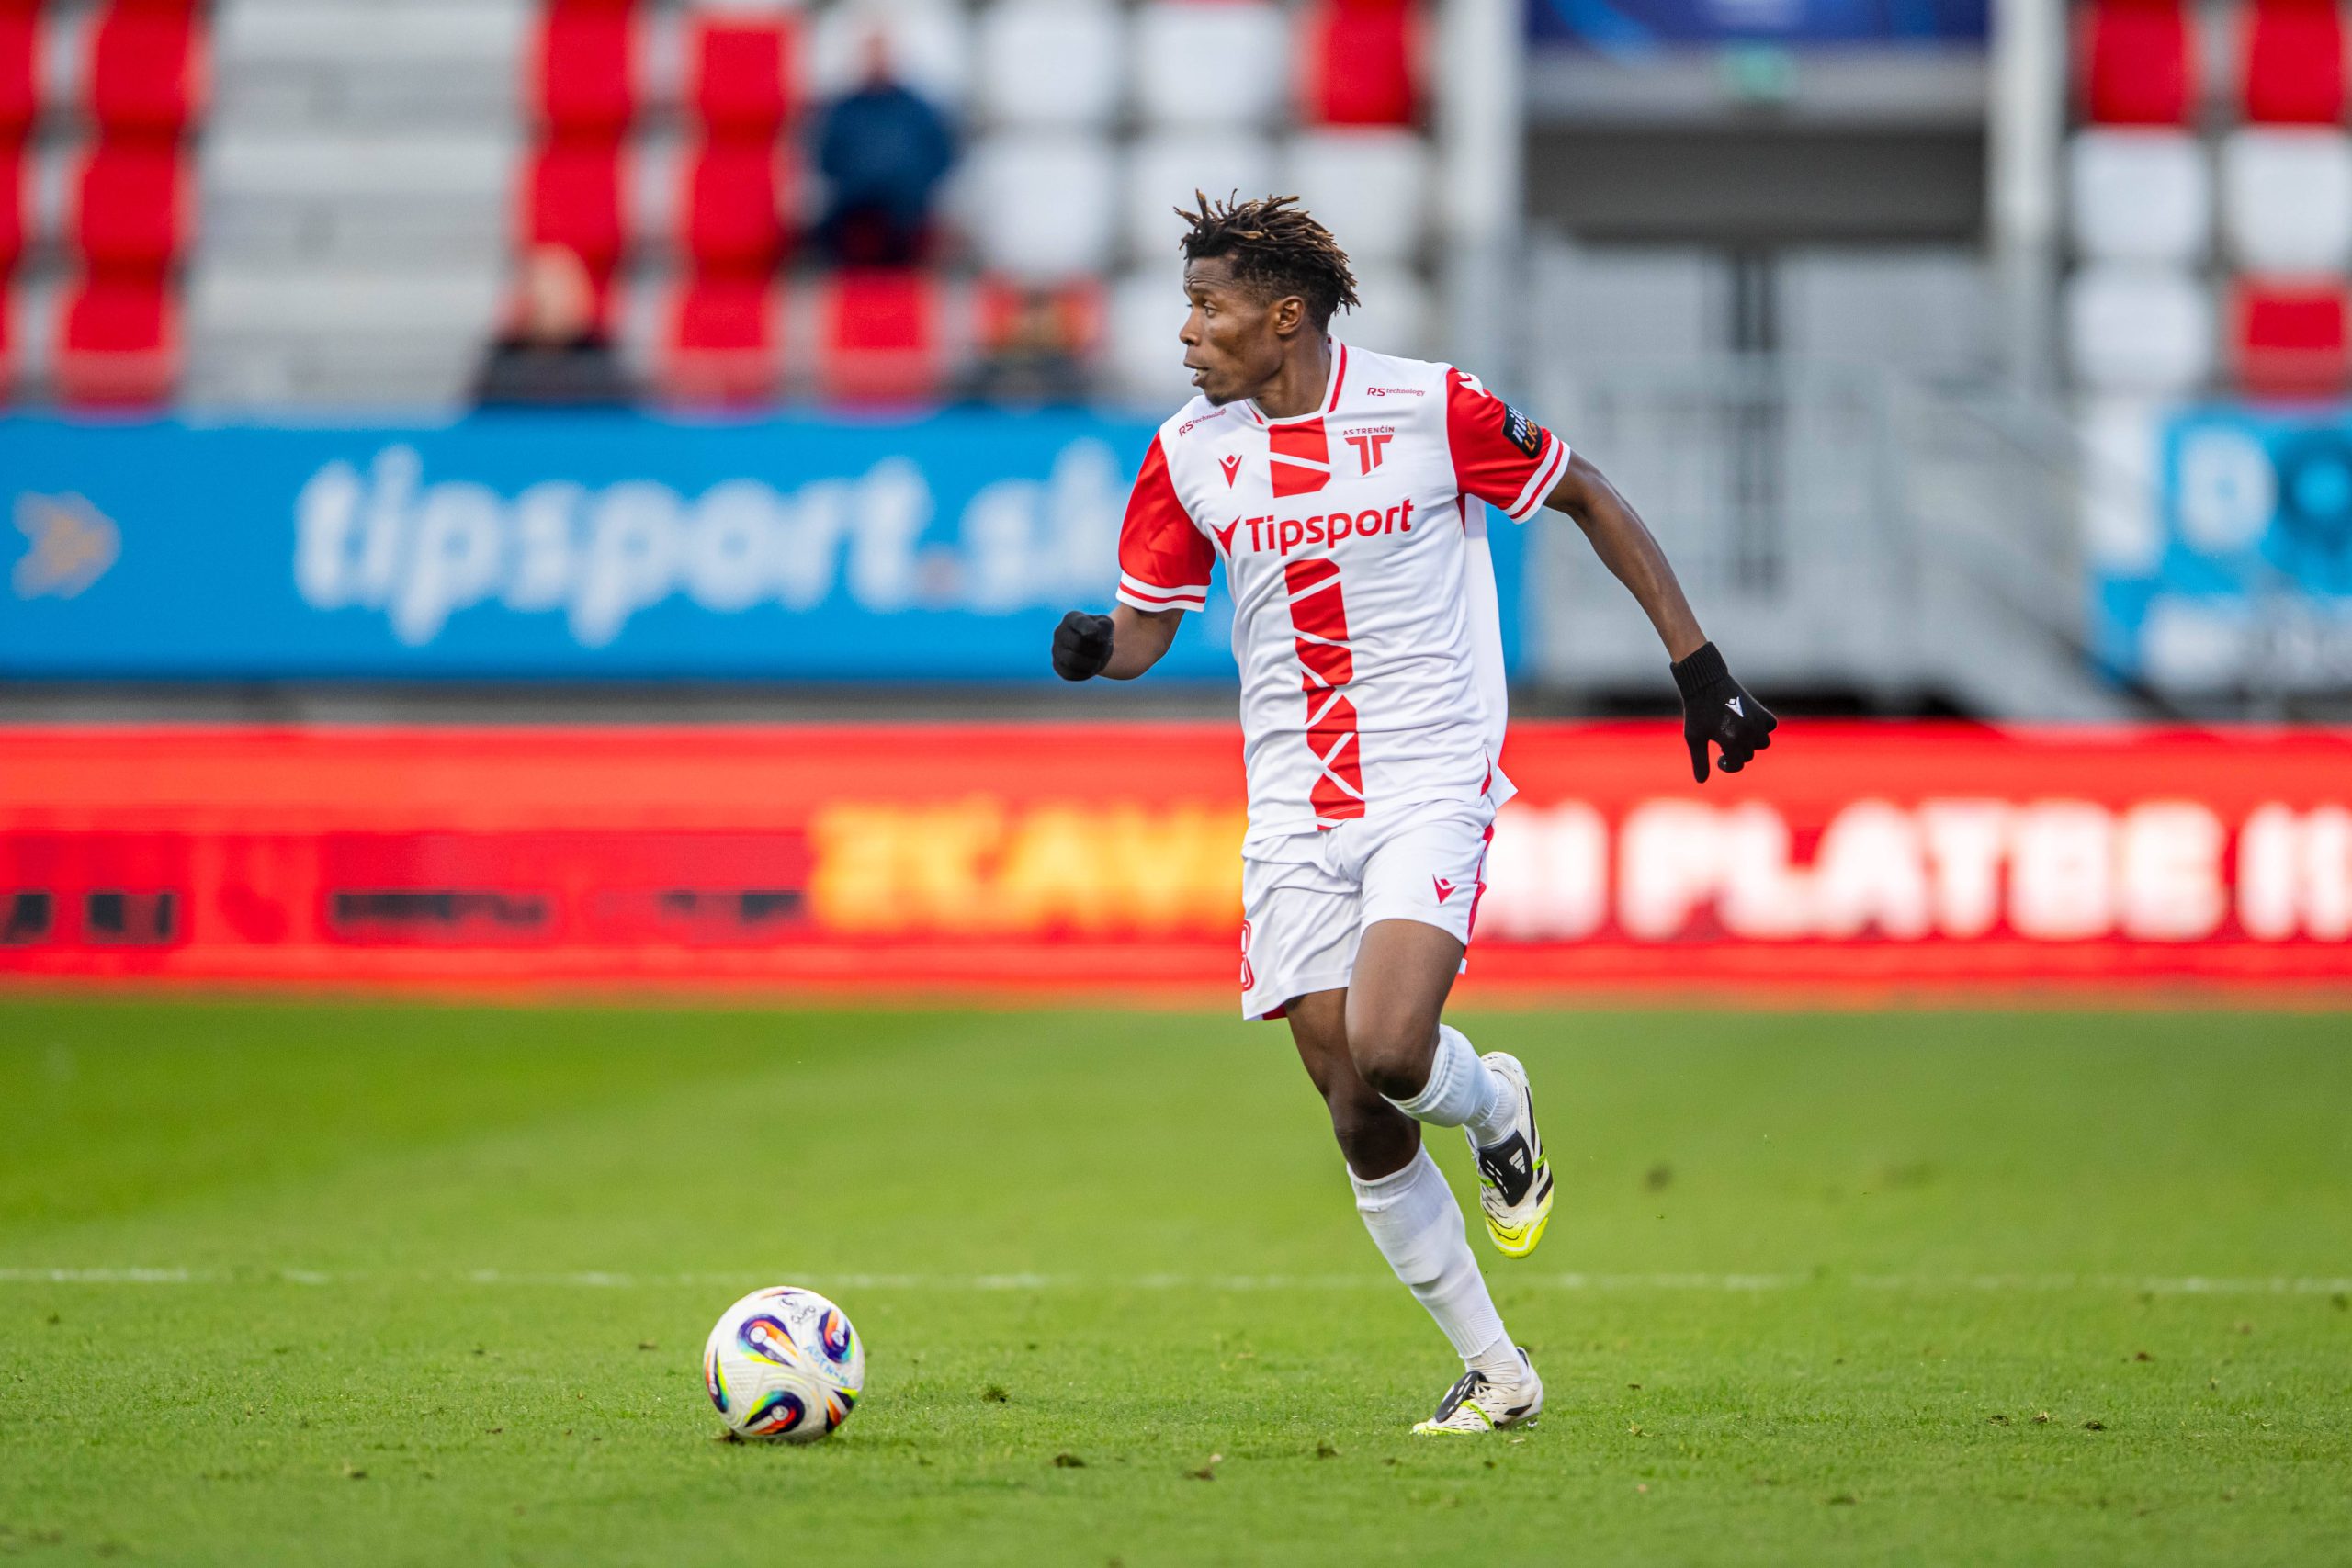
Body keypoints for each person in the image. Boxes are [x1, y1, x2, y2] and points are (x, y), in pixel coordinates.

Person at [1049, 194, 1779, 1436]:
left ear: (1283, 318)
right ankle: (1500, 1372)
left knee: (1394, 1048)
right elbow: (1149, 624)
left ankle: (1496, 1103)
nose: (1187, 332)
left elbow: (1587, 493)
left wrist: (1696, 665)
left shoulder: (1428, 406)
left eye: (1208, 306)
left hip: (1429, 777)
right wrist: (1095, 648)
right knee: (1353, 1102)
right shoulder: (1186, 453)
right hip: (1288, 807)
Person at [812, 32, 954, 266]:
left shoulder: (918, 109)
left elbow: (940, 156)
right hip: (854, 209)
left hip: (906, 210)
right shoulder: (843, 110)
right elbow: (826, 159)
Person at [472, 244, 637, 409]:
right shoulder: (501, 367)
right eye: (544, 291)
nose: (553, 303)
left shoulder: (602, 367)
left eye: (562, 290)